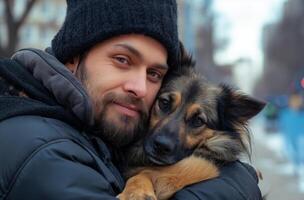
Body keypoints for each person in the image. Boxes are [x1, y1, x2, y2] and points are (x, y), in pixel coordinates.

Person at [0, 0, 262, 199]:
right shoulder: (43, 151)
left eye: (154, 73)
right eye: (122, 60)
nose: (140, 87)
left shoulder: (95, 133)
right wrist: (237, 184)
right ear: (72, 57)